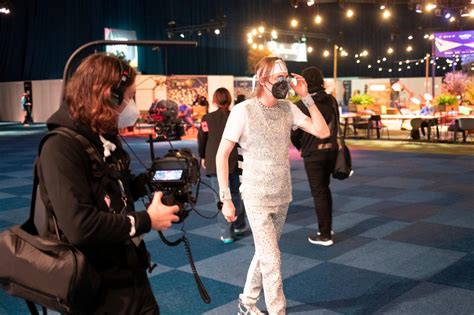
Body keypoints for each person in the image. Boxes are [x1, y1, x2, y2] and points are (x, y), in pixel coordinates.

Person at [37, 53, 180, 314]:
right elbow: (80, 225)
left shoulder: (104, 139)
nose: (132, 106)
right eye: (129, 97)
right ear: (109, 95)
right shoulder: (60, 147)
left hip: (130, 272)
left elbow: (116, 193)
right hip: (96, 287)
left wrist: (149, 182)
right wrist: (147, 221)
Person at [216, 57, 330, 315]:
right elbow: (222, 154)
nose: (284, 81)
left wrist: (306, 97)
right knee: (273, 260)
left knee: (266, 253)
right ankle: (278, 311)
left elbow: (322, 131)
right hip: (255, 195)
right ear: (262, 78)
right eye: (278, 76)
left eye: (286, 75)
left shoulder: (289, 109)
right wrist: (226, 198)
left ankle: (246, 302)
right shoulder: (243, 111)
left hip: (282, 194)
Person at [290, 67, 339, 246]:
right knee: (324, 189)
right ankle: (327, 226)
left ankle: (325, 234)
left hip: (313, 153)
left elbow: (294, 133)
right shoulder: (331, 100)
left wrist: (300, 146)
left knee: (318, 192)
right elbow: (337, 124)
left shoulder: (302, 104)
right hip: (331, 150)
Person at [197, 87, 246, 244]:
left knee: (222, 197)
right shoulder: (236, 116)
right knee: (236, 193)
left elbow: (202, 140)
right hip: (234, 159)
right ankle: (239, 225)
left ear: (214, 101)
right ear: (230, 100)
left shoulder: (206, 119)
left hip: (214, 161)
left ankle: (227, 234)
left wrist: (202, 157)